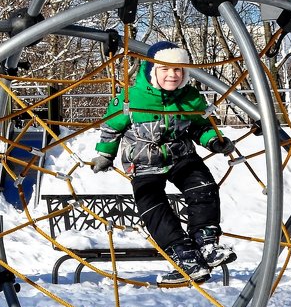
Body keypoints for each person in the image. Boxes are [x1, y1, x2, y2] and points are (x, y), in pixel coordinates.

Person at [90, 41, 236, 287]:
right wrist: (105, 155)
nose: (172, 75)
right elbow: (110, 129)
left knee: (203, 186)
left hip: (181, 155)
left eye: (178, 70)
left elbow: (200, 127)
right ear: (152, 70)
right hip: (144, 161)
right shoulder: (131, 97)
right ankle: (182, 252)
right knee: (152, 204)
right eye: (165, 69)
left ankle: (206, 240)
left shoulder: (190, 98)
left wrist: (213, 141)